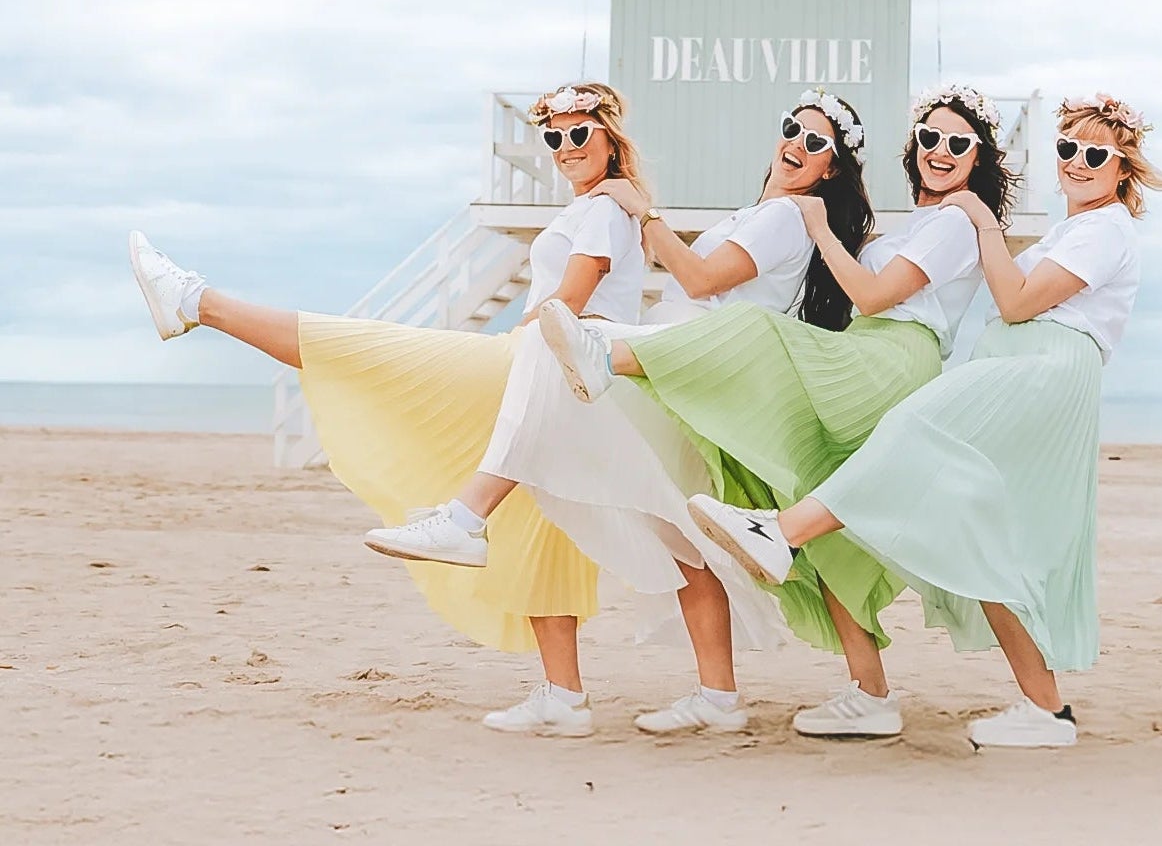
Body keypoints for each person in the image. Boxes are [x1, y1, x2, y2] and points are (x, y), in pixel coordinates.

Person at [126, 82, 645, 737]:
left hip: (541, 361)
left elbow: (566, 307)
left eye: (580, 134)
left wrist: (528, 336)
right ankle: (563, 697)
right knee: (539, 532)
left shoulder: (602, 211)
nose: (566, 148)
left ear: (610, 138)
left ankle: (197, 302)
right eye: (554, 137)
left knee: (368, 351)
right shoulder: (606, 209)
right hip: (562, 378)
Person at [688, 95, 1162, 747]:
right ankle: (1045, 710)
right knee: (986, 535)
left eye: (1097, 155)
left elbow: (1016, 300)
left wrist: (984, 225)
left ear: (1123, 170)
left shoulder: (1105, 228)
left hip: (1040, 371)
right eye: (1068, 150)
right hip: (1026, 365)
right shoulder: (1075, 229)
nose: (1079, 163)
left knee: (914, 431)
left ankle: (784, 531)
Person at [380, 91, 875, 737]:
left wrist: (647, 214)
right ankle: (718, 699)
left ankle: (468, 516)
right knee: (678, 536)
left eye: (816, 144)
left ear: (831, 168)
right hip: (676, 365)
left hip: (689, 365)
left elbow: (699, 282)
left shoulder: (782, 218)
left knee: (546, 346)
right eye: (792, 130)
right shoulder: (765, 212)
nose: (796, 146)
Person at [543, 84, 1010, 738]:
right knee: (828, 531)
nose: (939, 150)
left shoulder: (956, 220)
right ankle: (870, 694)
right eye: (930, 137)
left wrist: (808, 223)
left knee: (757, 332)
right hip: (862, 351)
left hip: (887, 358)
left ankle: (606, 359)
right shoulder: (923, 224)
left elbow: (873, 297)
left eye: (957, 142)